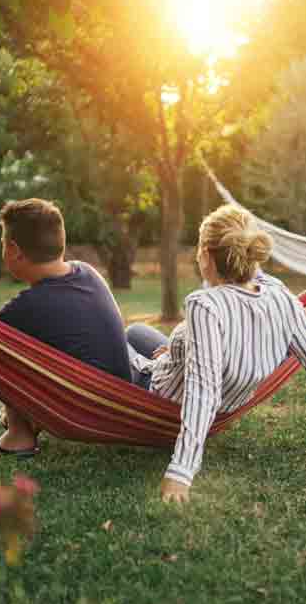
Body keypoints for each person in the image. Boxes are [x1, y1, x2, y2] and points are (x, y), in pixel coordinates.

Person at [126, 204, 306, 503]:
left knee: (121, 337)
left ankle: (157, 359)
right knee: (137, 332)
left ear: (207, 256)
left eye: (199, 249)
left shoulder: (205, 305)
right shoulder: (281, 299)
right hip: (197, 378)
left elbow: (203, 391)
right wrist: (176, 349)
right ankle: (167, 354)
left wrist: (181, 472)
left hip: (160, 394)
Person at [0, 198, 132, 458]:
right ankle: (29, 421)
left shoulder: (27, 307)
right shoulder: (87, 271)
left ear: (14, 250)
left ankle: (19, 434)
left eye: (2, 244)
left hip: (87, 410)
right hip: (122, 397)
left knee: (1, 348)